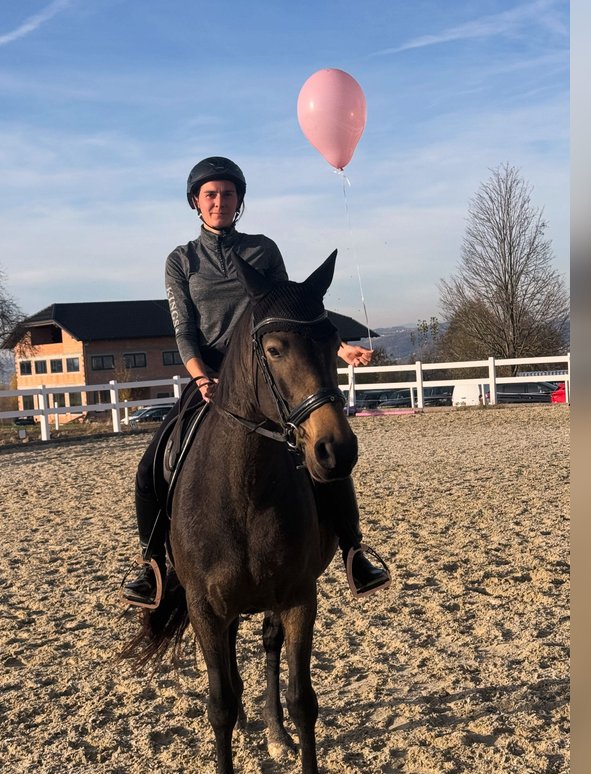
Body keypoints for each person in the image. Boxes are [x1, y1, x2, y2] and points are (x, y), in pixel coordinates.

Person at [122, 156, 391, 607]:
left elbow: (291, 315)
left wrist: (340, 348)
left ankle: (354, 551)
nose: (219, 201)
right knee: (151, 466)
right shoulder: (181, 261)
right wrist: (200, 375)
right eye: (210, 194)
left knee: (323, 454)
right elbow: (184, 330)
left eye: (228, 194)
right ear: (195, 202)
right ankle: (153, 566)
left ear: (239, 200)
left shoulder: (263, 250)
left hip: (265, 375)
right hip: (211, 377)